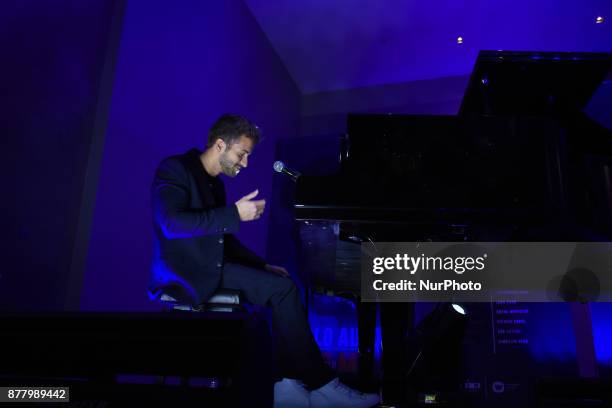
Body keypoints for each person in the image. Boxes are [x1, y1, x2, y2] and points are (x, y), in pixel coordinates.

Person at [149, 114, 379, 408]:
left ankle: (286, 386)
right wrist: (234, 214)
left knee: (280, 282)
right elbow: (171, 223)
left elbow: (224, 240)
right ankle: (322, 384)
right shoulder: (175, 168)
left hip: (212, 267)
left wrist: (261, 265)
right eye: (242, 154)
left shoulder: (215, 185)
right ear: (220, 144)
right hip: (183, 273)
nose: (245, 163)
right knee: (282, 291)